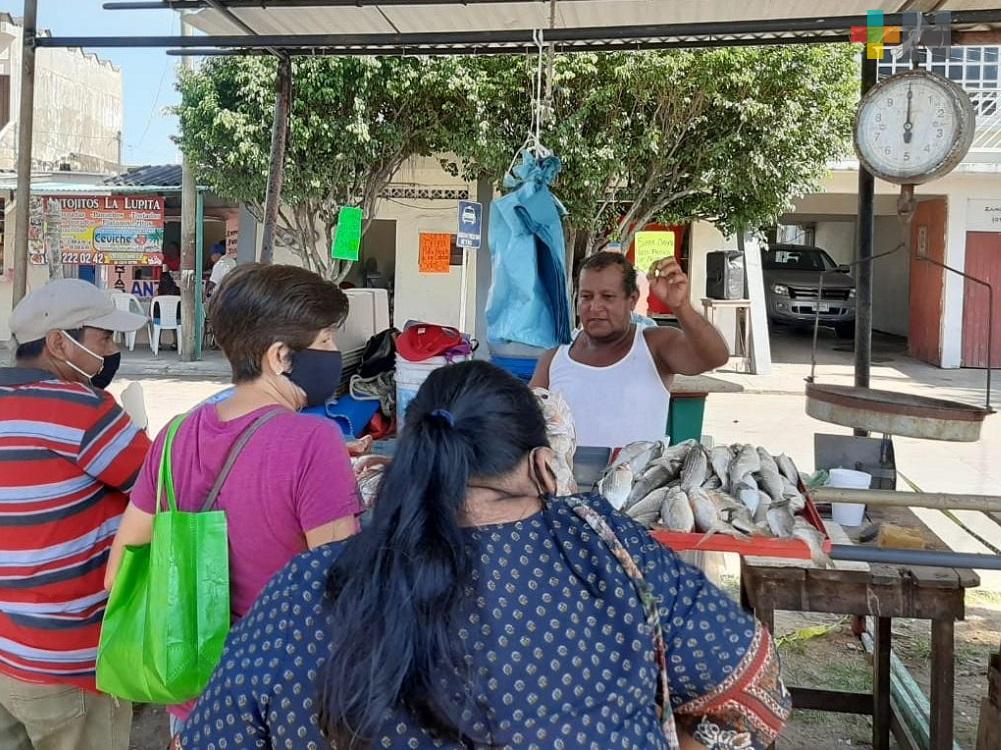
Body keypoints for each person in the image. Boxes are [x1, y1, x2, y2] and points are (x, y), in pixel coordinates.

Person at [179, 361, 790, 750]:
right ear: (543, 465)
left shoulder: (307, 586)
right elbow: (755, 698)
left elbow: (214, 735)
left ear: (409, 460)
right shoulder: (612, 552)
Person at [106, 263, 361, 741]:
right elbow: (342, 588)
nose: (334, 353)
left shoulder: (176, 433)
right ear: (281, 356)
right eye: (326, 340)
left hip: (192, 692)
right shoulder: (314, 441)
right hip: (282, 699)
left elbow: (118, 570)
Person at [0, 279, 151, 750]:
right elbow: (160, 488)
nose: (112, 350)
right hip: (70, 659)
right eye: (103, 338)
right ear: (58, 342)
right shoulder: (83, 410)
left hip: (7, 650)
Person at [530, 252, 730, 448]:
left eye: (607, 297)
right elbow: (522, 420)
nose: (595, 306)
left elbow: (715, 357)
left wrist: (681, 307)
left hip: (640, 480)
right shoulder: (554, 358)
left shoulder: (655, 345)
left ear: (632, 300)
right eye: (586, 296)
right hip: (567, 480)